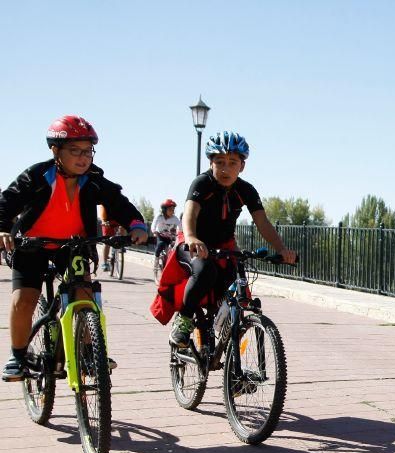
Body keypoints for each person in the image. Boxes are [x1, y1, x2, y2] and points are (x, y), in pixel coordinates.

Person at [0, 115, 148, 381]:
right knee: (24, 299)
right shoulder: (36, 175)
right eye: (74, 151)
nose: (83, 158)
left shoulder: (92, 179)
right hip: (33, 245)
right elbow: (6, 202)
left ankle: (91, 353)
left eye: (88, 151)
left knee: (85, 293)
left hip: (73, 245)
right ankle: (18, 356)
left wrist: (136, 224)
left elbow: (118, 202)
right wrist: (2, 228)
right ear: (55, 151)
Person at [160, 131, 297, 348]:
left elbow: (263, 222)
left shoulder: (246, 190)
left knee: (235, 287)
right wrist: (192, 237)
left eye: (233, 163)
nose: (226, 168)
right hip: (192, 241)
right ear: (211, 162)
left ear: (242, 166)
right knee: (206, 271)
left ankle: (230, 354)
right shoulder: (202, 183)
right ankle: (184, 320)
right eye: (220, 162)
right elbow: (190, 214)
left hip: (224, 245)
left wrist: (281, 248)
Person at [98, 204, 126, 272]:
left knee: (123, 227)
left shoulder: (120, 200)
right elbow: (102, 212)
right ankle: (105, 263)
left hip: (118, 220)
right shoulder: (104, 202)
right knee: (107, 240)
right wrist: (104, 221)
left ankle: (122, 243)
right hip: (107, 220)